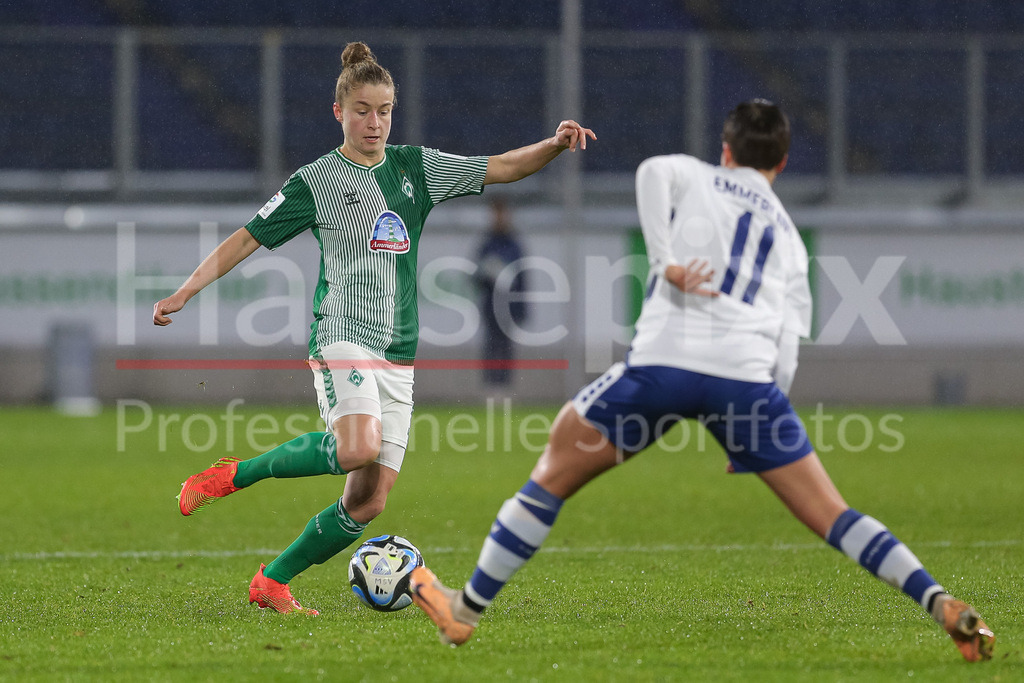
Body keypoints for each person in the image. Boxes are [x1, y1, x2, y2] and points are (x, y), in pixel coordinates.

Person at [409, 100, 995, 662]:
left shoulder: (695, 176)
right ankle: (939, 602)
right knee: (834, 515)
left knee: (554, 470)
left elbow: (650, 173)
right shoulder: (789, 238)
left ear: (726, 149)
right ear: (783, 164)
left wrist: (664, 259)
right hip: (746, 385)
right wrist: (758, 423)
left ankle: (467, 608)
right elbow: (788, 345)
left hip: (663, 365)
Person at [152, 41, 595, 615]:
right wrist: (187, 290)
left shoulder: (416, 168)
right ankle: (233, 474)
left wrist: (555, 146)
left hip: (400, 354)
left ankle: (272, 582)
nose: (375, 122)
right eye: (363, 109)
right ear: (339, 112)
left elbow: (503, 167)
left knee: (367, 501)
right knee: (357, 447)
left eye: (384, 110)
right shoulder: (316, 181)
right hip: (341, 335)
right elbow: (245, 238)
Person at [474, 196, 528, 387]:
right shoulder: (487, 242)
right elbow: (476, 275)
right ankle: (491, 387)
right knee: (491, 346)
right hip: (491, 307)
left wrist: (521, 309)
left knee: (505, 348)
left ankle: (505, 387)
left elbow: (522, 278)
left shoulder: (513, 243)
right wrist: (487, 272)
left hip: (509, 307)